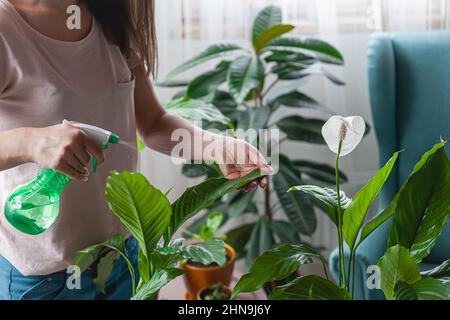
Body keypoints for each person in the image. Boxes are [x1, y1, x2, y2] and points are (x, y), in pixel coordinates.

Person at [0, 0, 272, 300]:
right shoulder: (6, 28)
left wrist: (216, 145)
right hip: (45, 277)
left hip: (124, 255)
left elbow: (154, 123)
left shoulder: (110, 20)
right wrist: (30, 142)